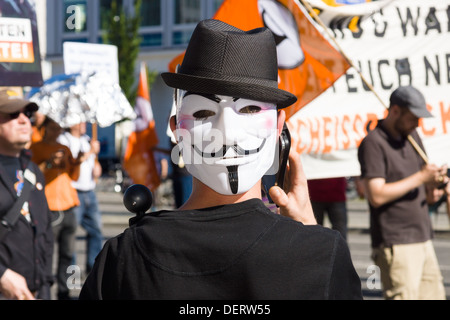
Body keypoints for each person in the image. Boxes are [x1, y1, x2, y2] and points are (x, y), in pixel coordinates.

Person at [80, 19, 362, 300]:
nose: (227, 131)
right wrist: (309, 237)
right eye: (203, 113)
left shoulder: (124, 256)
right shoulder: (321, 255)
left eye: (250, 109)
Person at [358, 85, 448, 300]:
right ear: (395, 111)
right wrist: (421, 178)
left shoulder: (412, 135)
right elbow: (376, 195)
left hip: (422, 236)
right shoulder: (374, 142)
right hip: (396, 240)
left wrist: (431, 190)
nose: (417, 123)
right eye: (413, 117)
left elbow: (420, 182)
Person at [0, 89, 54, 300]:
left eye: (27, 114)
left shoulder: (34, 171)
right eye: (13, 114)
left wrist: (46, 287)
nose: (24, 120)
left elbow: (46, 234)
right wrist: (1, 275)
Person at [30, 116, 82, 300]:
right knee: (47, 254)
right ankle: (45, 292)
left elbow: (73, 177)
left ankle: (64, 291)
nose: (57, 131)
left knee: (68, 254)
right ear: (44, 128)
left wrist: (78, 162)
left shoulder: (65, 148)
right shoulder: (34, 148)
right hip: (49, 207)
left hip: (69, 204)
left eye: (59, 128)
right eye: (53, 128)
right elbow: (32, 176)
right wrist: (50, 162)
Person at [58, 122, 103, 274]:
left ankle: (93, 268)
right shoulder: (63, 140)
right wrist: (91, 151)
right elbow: (71, 163)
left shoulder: (87, 139)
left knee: (96, 230)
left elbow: (92, 166)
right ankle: (72, 274)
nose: (84, 123)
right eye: (80, 120)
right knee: (71, 234)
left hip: (89, 191)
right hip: (73, 191)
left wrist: (97, 168)